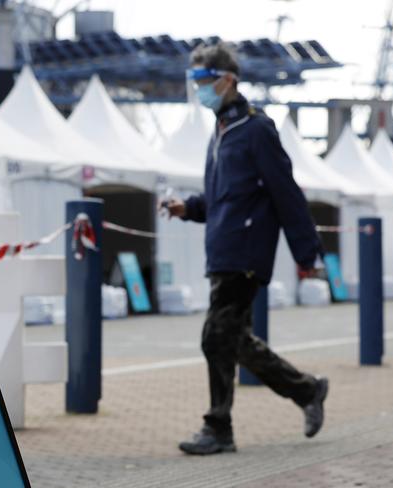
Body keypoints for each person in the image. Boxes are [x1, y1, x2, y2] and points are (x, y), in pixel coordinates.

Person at [163, 43, 329, 455]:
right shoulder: (219, 132)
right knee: (234, 341)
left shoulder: (257, 129)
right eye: (194, 81)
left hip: (247, 253)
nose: (198, 88)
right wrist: (189, 208)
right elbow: (221, 198)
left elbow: (286, 193)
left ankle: (219, 427)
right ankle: (308, 391)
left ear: (228, 79)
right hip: (221, 250)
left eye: (203, 80)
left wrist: (307, 254)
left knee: (214, 336)